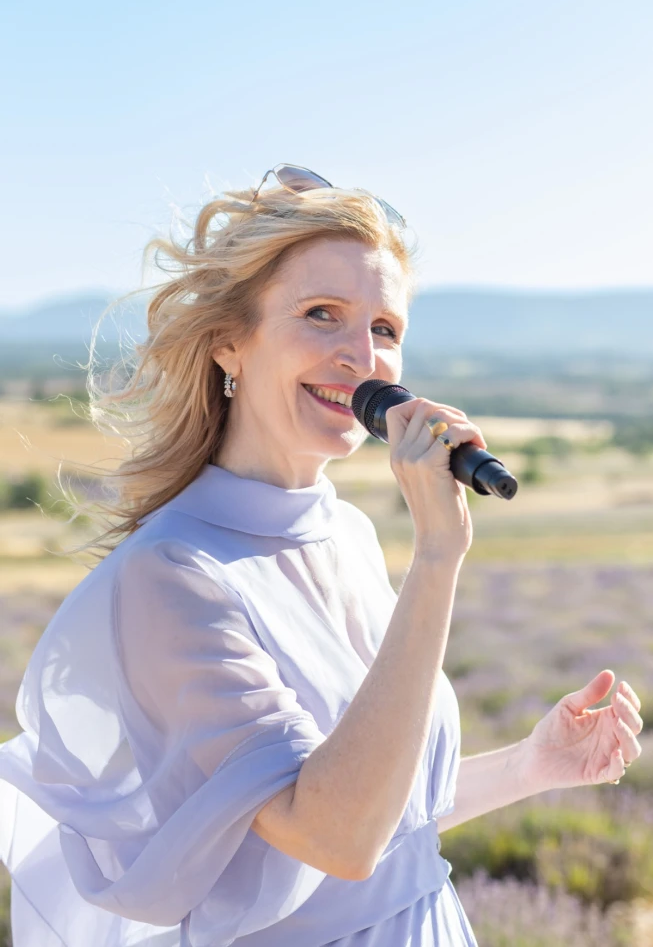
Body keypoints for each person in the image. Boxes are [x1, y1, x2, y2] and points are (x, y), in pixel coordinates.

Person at [0, 164, 644, 947]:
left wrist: (530, 765)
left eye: (384, 329)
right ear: (228, 345)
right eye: (321, 315)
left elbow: (388, 824)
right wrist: (437, 558)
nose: (362, 357)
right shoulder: (170, 576)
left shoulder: (348, 536)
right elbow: (334, 839)